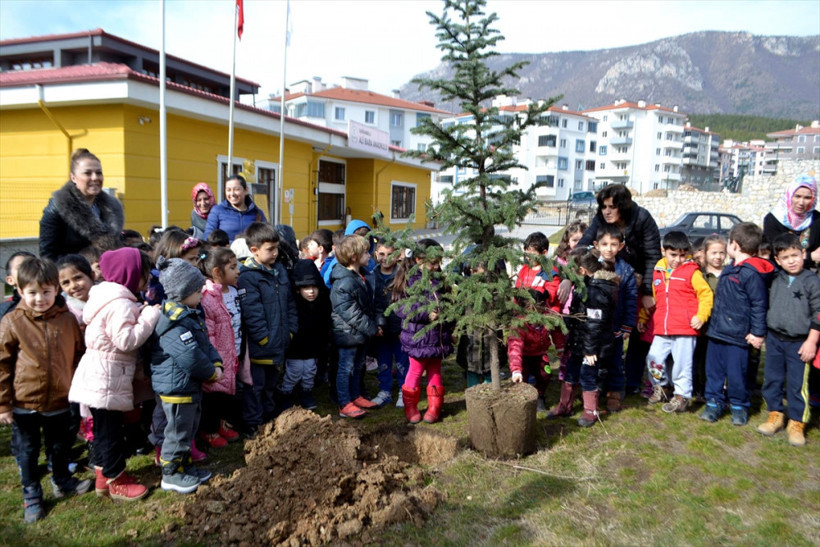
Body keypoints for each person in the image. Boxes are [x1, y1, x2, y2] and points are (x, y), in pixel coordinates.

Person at [0, 258, 89, 523]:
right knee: (27, 450)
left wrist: (76, 386)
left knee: (60, 445)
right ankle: (31, 493)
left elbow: (78, 355)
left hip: (60, 399)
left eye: (46, 292)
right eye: (32, 293)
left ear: (56, 290)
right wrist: (3, 404)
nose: (40, 298)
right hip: (24, 402)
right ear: (20, 291)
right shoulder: (12, 322)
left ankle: (61, 480)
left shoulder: (67, 320)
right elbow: (2, 365)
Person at [68, 247, 160, 501]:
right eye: (144, 274)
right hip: (106, 377)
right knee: (110, 433)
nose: (148, 279)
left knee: (105, 430)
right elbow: (126, 340)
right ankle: (117, 481)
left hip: (101, 374)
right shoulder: (120, 304)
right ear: (130, 275)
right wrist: (149, 316)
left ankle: (102, 478)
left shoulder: (108, 297)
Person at [152, 257, 222, 494]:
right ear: (183, 292)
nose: (202, 293)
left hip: (189, 387)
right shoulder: (174, 323)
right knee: (177, 432)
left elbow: (204, 345)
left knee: (188, 429)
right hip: (177, 388)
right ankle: (170, 474)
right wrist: (211, 372)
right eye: (197, 290)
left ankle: (184, 466)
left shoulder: (190, 314)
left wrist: (216, 361)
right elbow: (190, 356)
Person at [700, 222, 774, 425]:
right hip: (717, 332)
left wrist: (758, 333)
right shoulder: (731, 268)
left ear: (735, 245)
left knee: (736, 375)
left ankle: (739, 406)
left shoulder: (750, 274)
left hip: (738, 336)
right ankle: (713, 403)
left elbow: (759, 304)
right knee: (713, 371)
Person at [756, 234, 820, 446]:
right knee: (772, 379)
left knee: (796, 384)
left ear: (803, 254)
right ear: (778, 259)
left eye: (795, 255)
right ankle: (775, 414)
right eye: (785, 257)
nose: (791, 261)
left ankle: (796, 422)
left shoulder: (812, 281)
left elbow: (818, 314)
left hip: (800, 342)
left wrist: (811, 341)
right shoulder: (775, 277)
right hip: (774, 340)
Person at [237, 222, 297, 434]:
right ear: (254, 250)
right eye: (270, 249)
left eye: (276, 248)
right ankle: (253, 423)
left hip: (279, 340)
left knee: (271, 384)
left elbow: (290, 303)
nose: (275, 253)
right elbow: (252, 313)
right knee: (255, 386)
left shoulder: (279, 271)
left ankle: (269, 417)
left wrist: (290, 330)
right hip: (260, 346)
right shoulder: (248, 277)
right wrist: (263, 338)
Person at [644, 231, 714, 414]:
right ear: (663, 251)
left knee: (682, 364)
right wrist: (644, 318)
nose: (677, 259)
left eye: (682, 255)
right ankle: (662, 387)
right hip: (662, 327)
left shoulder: (692, 271)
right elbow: (656, 298)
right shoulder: (658, 271)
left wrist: (701, 315)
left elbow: (706, 294)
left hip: (685, 328)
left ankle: (682, 396)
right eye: (673, 255)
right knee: (653, 358)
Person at [548, 248, 618, 427]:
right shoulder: (584, 286)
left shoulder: (596, 292)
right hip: (579, 342)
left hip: (592, 346)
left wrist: (589, 350)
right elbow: (577, 315)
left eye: (571, 270)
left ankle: (590, 411)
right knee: (570, 372)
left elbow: (594, 326)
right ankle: (565, 405)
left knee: (588, 376)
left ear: (581, 271)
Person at [395, 239, 454, 424]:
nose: (436, 267)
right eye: (433, 263)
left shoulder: (439, 279)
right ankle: (410, 406)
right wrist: (425, 315)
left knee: (435, 371)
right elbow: (401, 308)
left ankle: (435, 407)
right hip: (418, 337)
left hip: (438, 337)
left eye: (438, 263)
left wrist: (449, 325)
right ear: (419, 259)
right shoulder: (409, 280)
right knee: (415, 371)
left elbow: (447, 304)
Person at [575, 184, 661, 310]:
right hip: (612, 278)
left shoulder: (642, 218)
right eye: (604, 207)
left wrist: (648, 291)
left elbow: (652, 256)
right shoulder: (600, 219)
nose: (607, 211)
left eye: (612, 207)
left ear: (623, 206)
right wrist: (569, 278)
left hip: (639, 280)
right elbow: (582, 246)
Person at [39, 149, 125, 261]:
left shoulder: (112, 208)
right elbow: (48, 256)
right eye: (87, 173)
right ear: (73, 177)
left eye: (99, 173)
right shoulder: (57, 209)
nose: (95, 178)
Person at [509, 232, 561, 412]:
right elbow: (518, 291)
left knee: (543, 373)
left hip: (541, 318)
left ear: (544, 252)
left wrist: (541, 298)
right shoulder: (524, 270)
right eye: (526, 252)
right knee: (521, 370)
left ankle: (540, 394)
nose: (528, 257)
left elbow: (552, 294)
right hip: (523, 320)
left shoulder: (550, 272)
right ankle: (522, 397)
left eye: (533, 253)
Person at [330, 235, 380, 419]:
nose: (370, 255)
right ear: (353, 256)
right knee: (346, 368)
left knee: (358, 366)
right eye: (366, 252)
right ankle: (344, 403)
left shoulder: (362, 276)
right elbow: (351, 313)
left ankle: (356, 395)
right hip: (348, 334)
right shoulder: (343, 282)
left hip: (360, 334)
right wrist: (372, 328)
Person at [198, 247, 241, 448]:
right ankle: (209, 430)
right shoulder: (208, 298)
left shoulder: (233, 291)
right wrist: (214, 359)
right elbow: (209, 334)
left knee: (224, 395)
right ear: (217, 272)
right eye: (232, 267)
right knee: (212, 398)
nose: (238, 270)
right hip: (218, 357)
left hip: (231, 353)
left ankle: (221, 424)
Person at [594, 224, 638, 413]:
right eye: (604, 244)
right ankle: (592, 391)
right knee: (594, 360)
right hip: (594, 326)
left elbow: (630, 299)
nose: (609, 248)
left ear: (620, 246)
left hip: (616, 326)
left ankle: (614, 393)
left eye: (613, 244)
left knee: (614, 361)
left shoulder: (625, 271)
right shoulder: (591, 266)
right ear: (596, 245)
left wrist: (628, 324)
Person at [280, 259, 330, 411]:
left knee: (309, 371)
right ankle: (286, 393)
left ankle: (306, 392)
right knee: (294, 371)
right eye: (306, 288)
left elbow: (325, 324)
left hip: (313, 346)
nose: (311, 291)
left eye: (314, 287)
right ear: (297, 289)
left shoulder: (323, 302)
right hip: (295, 347)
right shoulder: (292, 303)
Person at [371, 240, 409, 407]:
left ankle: (404, 389)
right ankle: (385, 390)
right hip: (380, 327)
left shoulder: (402, 275)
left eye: (390, 255)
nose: (385, 258)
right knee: (383, 359)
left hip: (399, 325)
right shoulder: (371, 275)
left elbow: (407, 302)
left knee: (402, 360)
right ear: (376, 254)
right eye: (381, 254)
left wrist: (404, 325)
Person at [693, 234, 726, 400]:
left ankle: (720, 389)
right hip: (705, 324)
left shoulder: (730, 273)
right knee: (702, 359)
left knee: (720, 361)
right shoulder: (699, 275)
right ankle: (700, 389)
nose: (718, 257)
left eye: (721, 252)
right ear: (705, 253)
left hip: (724, 325)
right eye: (714, 253)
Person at [763, 174, 820, 269]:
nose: (801, 202)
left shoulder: (817, 219)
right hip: (780, 275)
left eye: (807, 198)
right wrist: (810, 256)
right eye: (797, 196)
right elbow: (779, 253)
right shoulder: (773, 219)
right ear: (789, 195)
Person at [204, 175, 267, 242]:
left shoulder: (257, 212)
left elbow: (266, 236)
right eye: (228, 190)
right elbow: (208, 237)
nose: (232, 193)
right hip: (225, 251)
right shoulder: (217, 211)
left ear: (246, 190)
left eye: (236, 189)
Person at [57, 254, 95, 324]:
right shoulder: (65, 311)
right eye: (66, 282)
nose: (73, 286)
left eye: (78, 278)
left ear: (92, 276)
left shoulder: (109, 298)